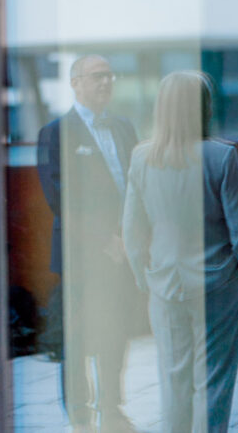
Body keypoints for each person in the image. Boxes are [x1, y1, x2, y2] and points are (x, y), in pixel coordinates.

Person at [123, 71, 238, 433]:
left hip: (164, 282)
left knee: (174, 379)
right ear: (204, 107)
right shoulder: (222, 156)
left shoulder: (141, 157)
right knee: (214, 378)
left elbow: (132, 230)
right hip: (219, 282)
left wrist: (142, 276)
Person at [36, 55, 145, 432]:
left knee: (116, 333)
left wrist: (131, 236)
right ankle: (80, 415)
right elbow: (60, 197)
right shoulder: (55, 133)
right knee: (78, 337)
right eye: (97, 76)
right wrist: (105, 239)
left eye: (109, 76)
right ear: (75, 82)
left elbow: (137, 183)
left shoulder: (124, 127)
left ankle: (111, 409)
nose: (105, 82)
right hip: (82, 254)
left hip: (123, 250)